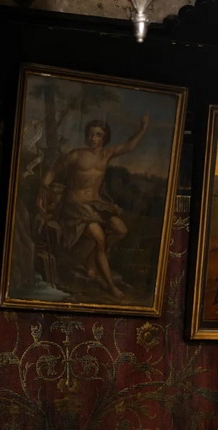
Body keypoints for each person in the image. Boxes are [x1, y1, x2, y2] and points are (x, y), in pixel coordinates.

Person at [38, 116, 150, 299]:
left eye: (98, 135)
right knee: (99, 238)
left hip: (95, 204)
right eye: (91, 134)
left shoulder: (106, 154)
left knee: (121, 230)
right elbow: (53, 170)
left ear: (104, 138)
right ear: (86, 136)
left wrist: (143, 129)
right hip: (75, 206)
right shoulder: (76, 155)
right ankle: (110, 285)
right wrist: (43, 187)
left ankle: (91, 262)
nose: (93, 138)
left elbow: (129, 146)